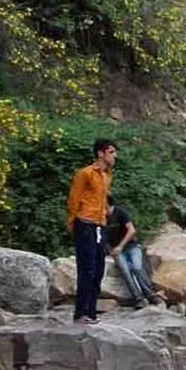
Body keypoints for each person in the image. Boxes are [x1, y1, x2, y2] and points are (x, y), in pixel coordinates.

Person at [67, 138, 116, 325]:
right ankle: (81, 313)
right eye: (111, 152)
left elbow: (102, 200)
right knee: (86, 268)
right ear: (100, 154)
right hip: (85, 223)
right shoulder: (86, 173)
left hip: (99, 224)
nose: (114, 156)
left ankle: (91, 312)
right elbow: (74, 199)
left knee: (99, 268)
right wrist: (74, 223)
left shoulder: (107, 176)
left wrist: (105, 215)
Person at [106, 194, 159, 307]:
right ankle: (138, 298)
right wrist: (110, 251)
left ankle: (150, 294)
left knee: (137, 267)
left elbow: (131, 230)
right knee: (125, 271)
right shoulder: (101, 217)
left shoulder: (120, 212)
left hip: (131, 246)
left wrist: (120, 246)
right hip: (116, 250)